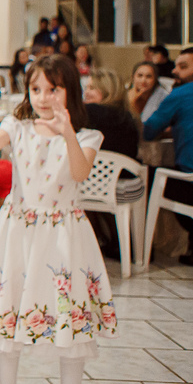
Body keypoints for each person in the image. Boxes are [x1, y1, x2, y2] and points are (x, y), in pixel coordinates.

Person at [0, 55, 115, 384]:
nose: (43, 97)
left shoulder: (88, 135)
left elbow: (79, 173)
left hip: (63, 236)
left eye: (53, 89)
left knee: (68, 322)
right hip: (18, 232)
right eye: (36, 89)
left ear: (69, 91)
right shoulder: (18, 126)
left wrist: (67, 133)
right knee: (9, 315)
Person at [143, 47, 193, 266]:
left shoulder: (183, 93)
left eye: (183, 66)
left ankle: (139, 250)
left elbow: (149, 130)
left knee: (144, 176)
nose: (175, 71)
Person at [83, 68, 144, 259]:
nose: (86, 92)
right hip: (128, 183)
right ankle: (116, 242)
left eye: (92, 88)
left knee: (72, 182)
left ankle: (94, 240)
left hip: (101, 184)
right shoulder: (128, 115)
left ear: (107, 90)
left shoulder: (90, 112)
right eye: (86, 87)